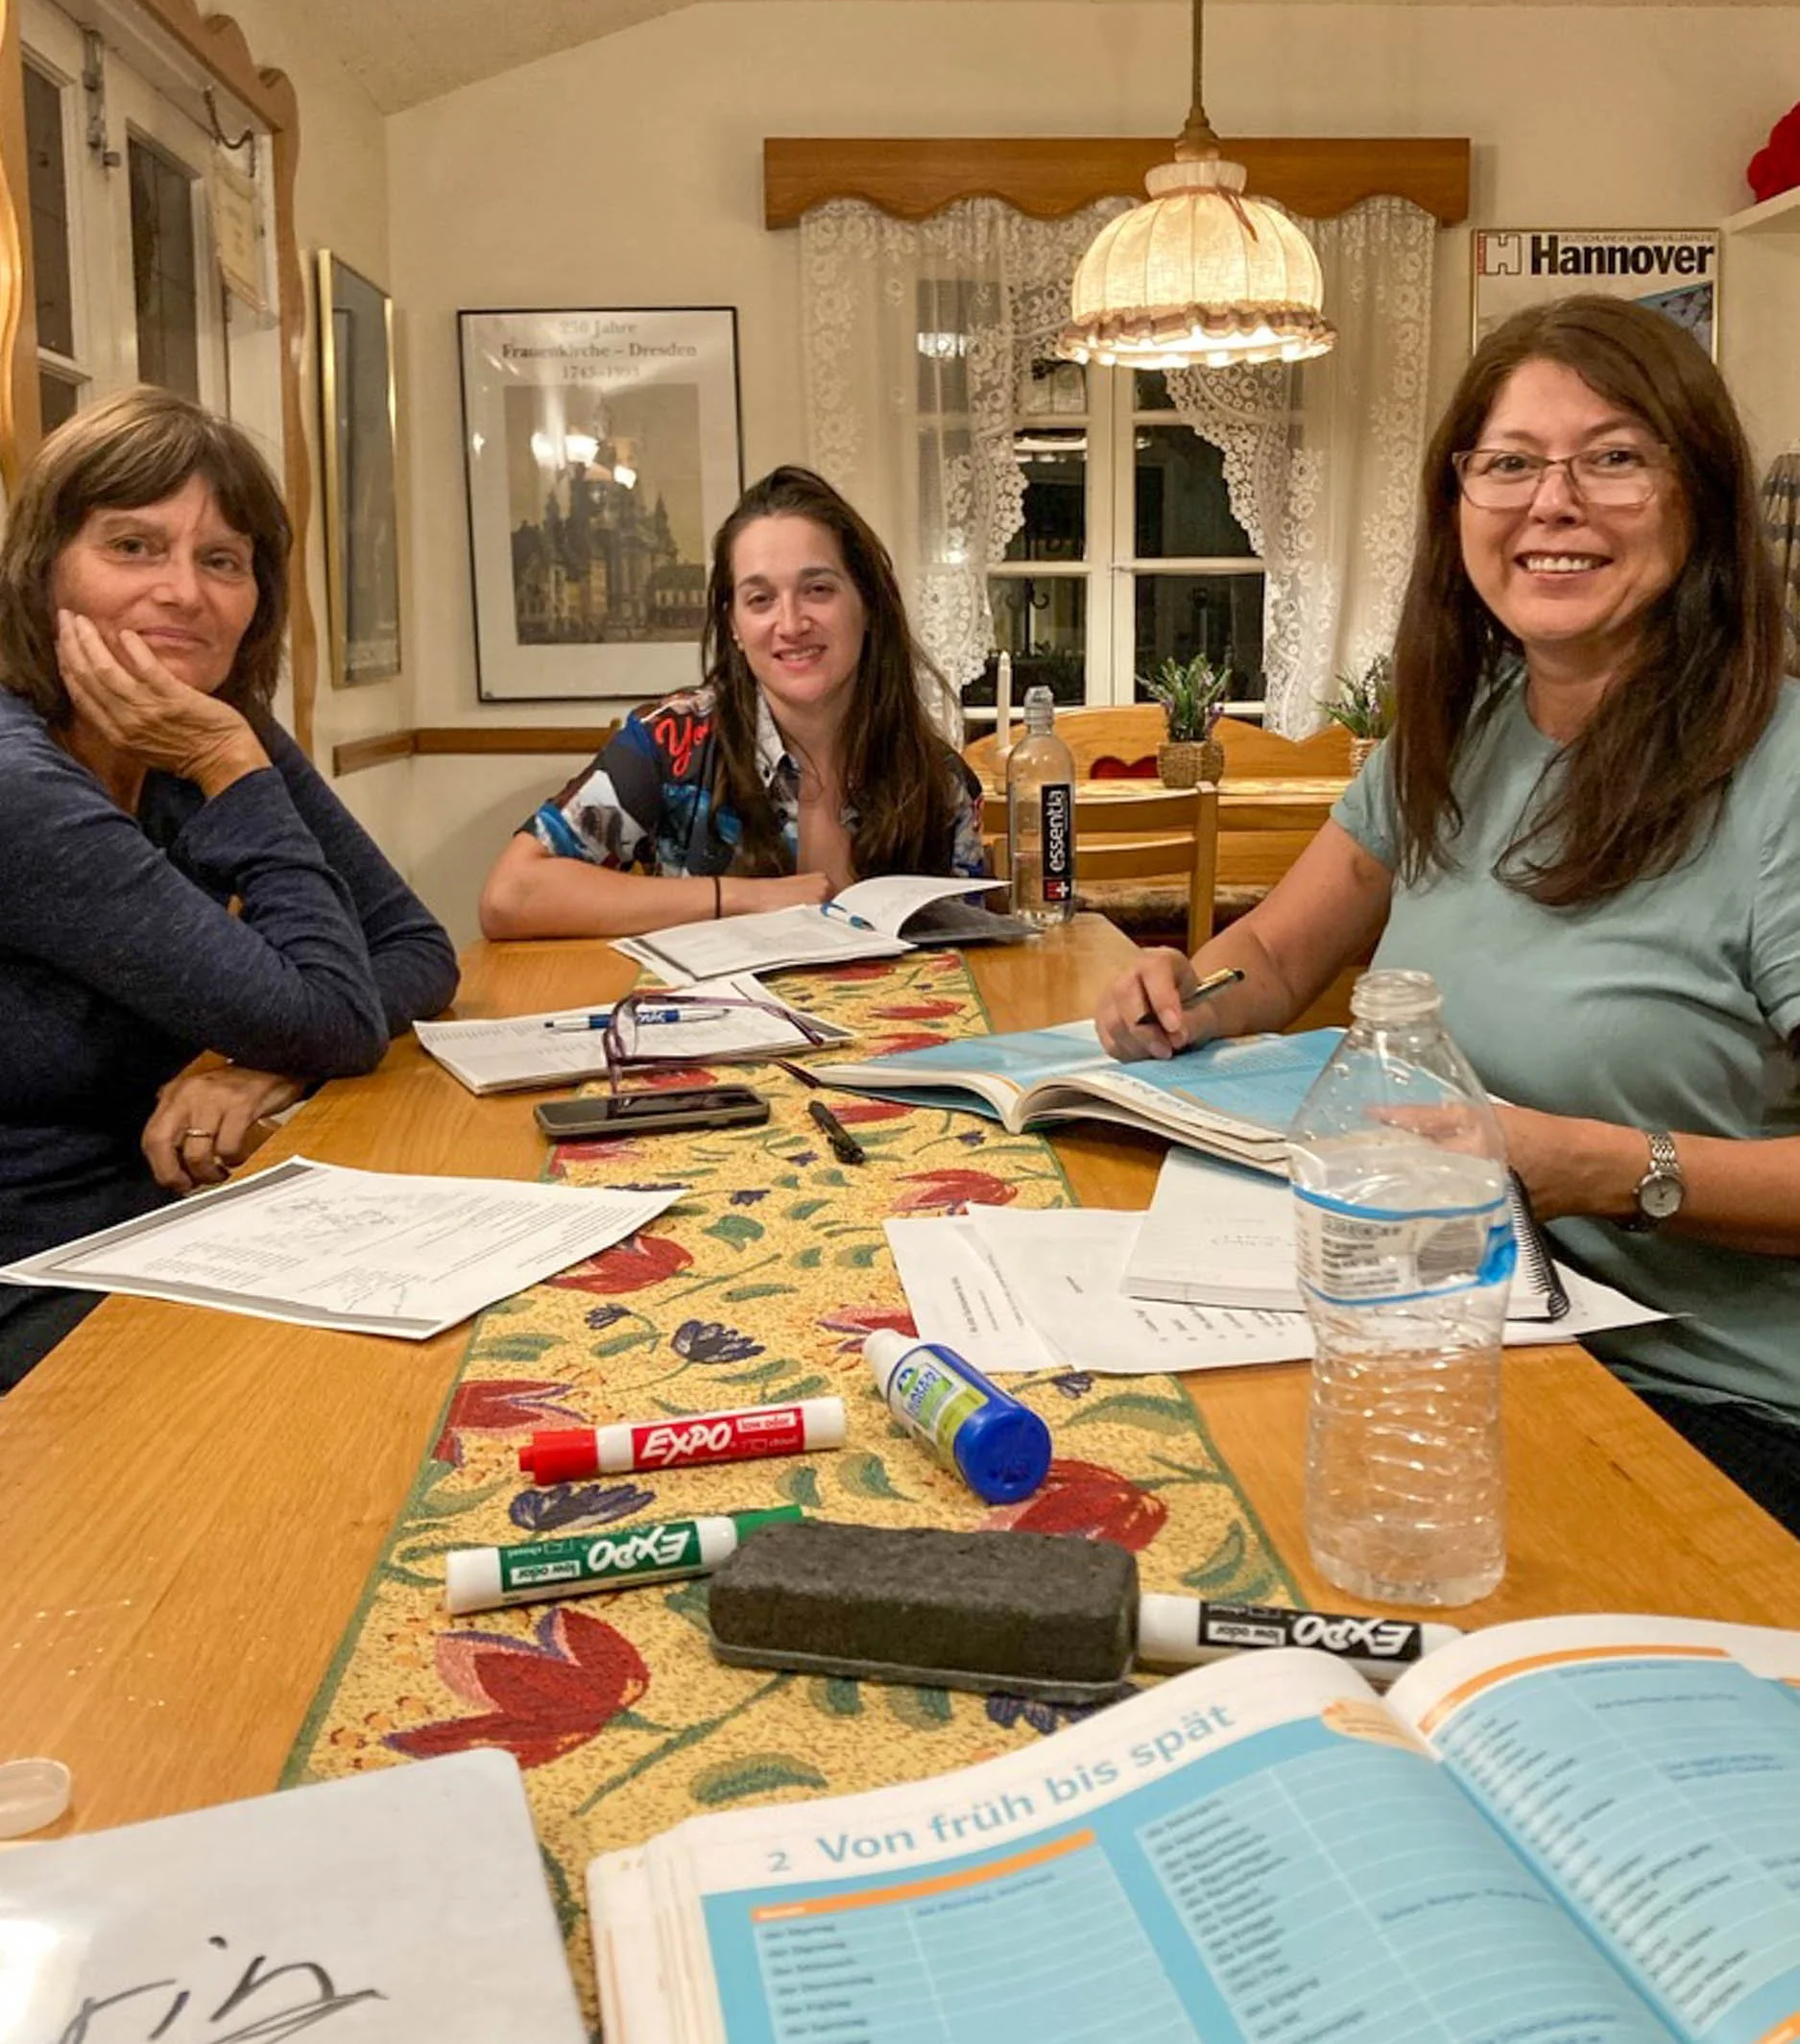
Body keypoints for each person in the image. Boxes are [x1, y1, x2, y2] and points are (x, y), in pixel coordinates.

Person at [1093, 296, 1800, 1532]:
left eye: (1616, 458)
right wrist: (1185, 993)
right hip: (1454, 1326)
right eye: (1509, 463)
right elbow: (1271, 950)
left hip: (1706, 1409)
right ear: (1458, 503)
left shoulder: (1782, 774)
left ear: (1702, 495)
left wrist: (1601, 1167)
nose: (1553, 502)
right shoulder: (1456, 731)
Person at [0, 387, 458, 1385]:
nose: (184, 593)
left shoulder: (206, 721)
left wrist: (261, 1059)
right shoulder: (25, 781)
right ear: (42, 574)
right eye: (133, 546)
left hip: (179, 1232)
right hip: (42, 1286)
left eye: (222, 560)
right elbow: (337, 1011)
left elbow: (417, 945)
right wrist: (228, 764)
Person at [481, 465, 985, 938]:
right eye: (760, 599)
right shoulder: (670, 743)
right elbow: (508, 896)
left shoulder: (939, 780)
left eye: (817, 589)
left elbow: (974, 956)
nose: (790, 624)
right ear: (734, 627)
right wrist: (744, 898)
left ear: (869, 604)